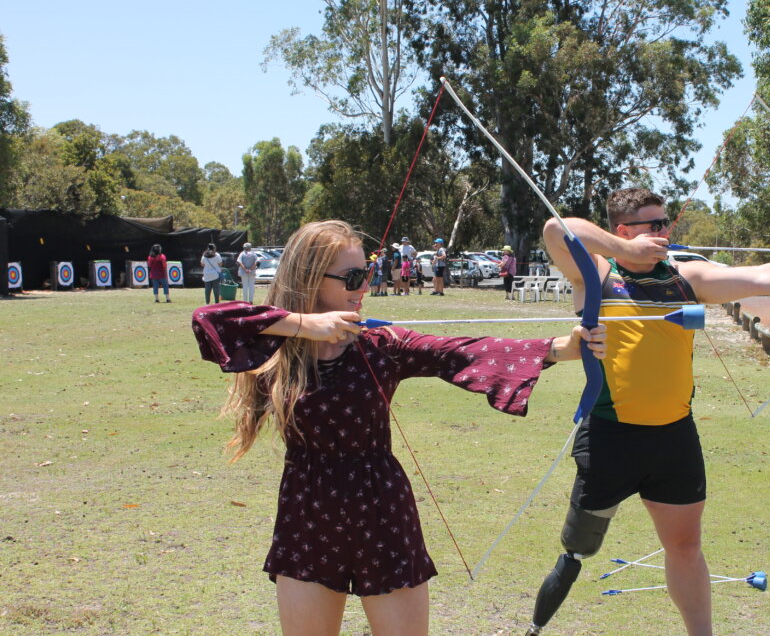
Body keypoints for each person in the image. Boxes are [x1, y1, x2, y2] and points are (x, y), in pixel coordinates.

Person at [190, 219, 606, 636]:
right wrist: (303, 325)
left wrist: (562, 348)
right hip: (306, 509)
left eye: (367, 275)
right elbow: (208, 320)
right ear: (310, 279)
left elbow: (457, 351)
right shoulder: (275, 345)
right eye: (353, 277)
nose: (364, 287)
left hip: (381, 508)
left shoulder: (380, 344)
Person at [525, 188, 770, 636]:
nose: (665, 233)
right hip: (610, 435)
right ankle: (534, 629)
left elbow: (762, 276)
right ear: (623, 230)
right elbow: (557, 229)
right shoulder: (595, 273)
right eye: (654, 225)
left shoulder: (686, 277)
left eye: (666, 223)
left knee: (685, 547)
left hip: (673, 438)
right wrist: (627, 251)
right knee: (577, 550)